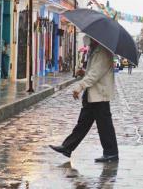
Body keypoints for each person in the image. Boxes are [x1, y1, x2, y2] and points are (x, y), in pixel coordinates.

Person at [50, 35, 118, 163]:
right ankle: (67, 147)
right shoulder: (96, 51)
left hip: (100, 95)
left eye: (92, 38)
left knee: (105, 126)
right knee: (83, 123)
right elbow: (92, 72)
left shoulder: (103, 52)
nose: (89, 40)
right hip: (93, 94)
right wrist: (84, 72)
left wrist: (79, 86)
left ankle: (111, 153)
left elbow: (95, 74)